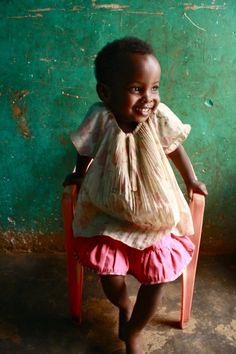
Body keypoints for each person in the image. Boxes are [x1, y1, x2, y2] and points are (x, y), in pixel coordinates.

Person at [63, 37, 208, 354]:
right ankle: (124, 305)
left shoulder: (158, 118)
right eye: (136, 89)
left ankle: (134, 330)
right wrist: (79, 172)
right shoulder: (101, 118)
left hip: (154, 215)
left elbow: (175, 149)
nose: (149, 98)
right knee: (109, 276)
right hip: (108, 212)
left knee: (157, 279)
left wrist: (192, 179)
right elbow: (85, 149)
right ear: (106, 92)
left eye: (154, 88)